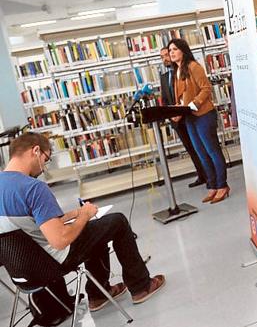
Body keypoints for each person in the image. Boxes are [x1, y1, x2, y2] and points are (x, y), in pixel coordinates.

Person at [0, 133, 165, 312]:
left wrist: (75, 214)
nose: (44, 168)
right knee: (117, 221)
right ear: (36, 150)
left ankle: (100, 294)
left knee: (94, 230)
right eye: (46, 160)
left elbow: (26, 225)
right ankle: (141, 287)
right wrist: (84, 215)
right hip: (52, 263)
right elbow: (60, 240)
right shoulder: (33, 188)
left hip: (22, 273)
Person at [167, 38, 229, 203]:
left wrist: (194, 104)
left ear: (183, 50)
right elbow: (182, 98)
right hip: (189, 118)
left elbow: (206, 89)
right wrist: (177, 110)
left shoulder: (193, 66)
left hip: (203, 115)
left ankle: (222, 185)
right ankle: (212, 186)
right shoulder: (177, 71)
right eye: (170, 50)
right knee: (201, 153)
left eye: (174, 49)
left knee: (212, 151)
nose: (171, 52)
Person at [159, 47, 207, 189]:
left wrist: (181, 111)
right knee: (190, 148)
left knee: (200, 147)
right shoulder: (163, 77)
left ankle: (210, 175)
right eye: (162, 57)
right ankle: (201, 175)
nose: (165, 59)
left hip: (189, 115)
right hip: (175, 120)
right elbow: (165, 99)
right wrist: (171, 115)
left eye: (167, 55)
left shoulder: (182, 71)